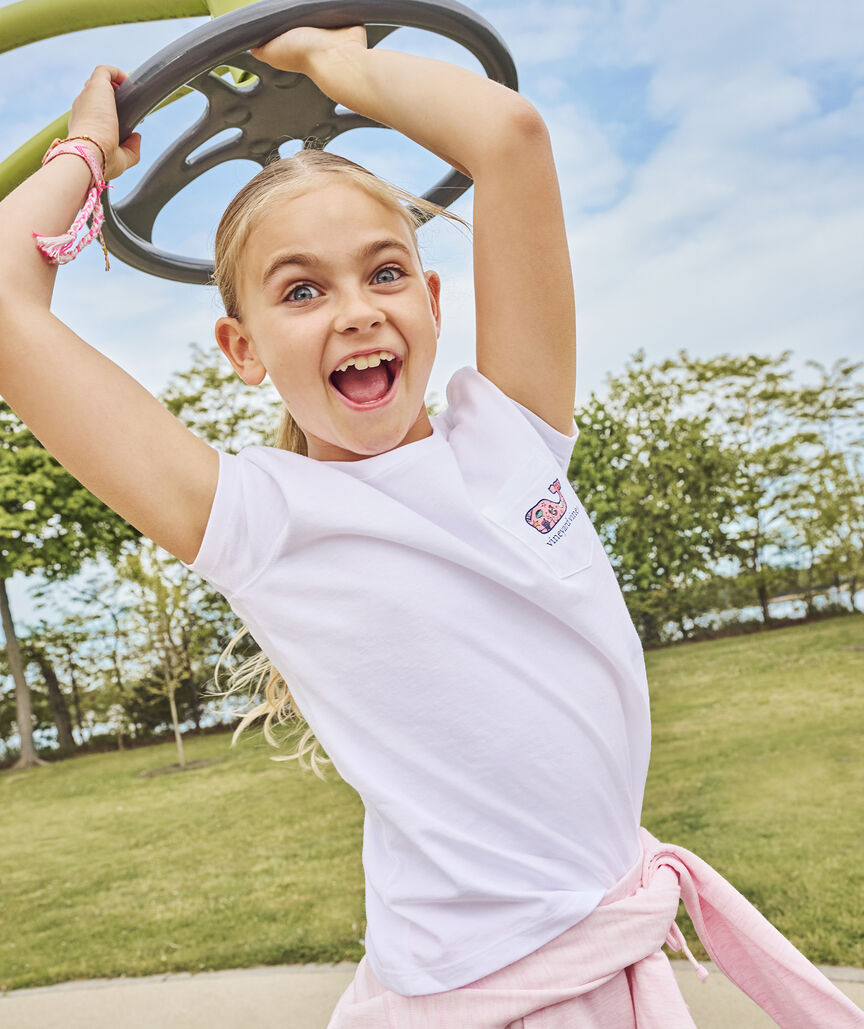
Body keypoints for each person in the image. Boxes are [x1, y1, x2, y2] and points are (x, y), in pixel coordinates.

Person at [0, 24, 861, 1029]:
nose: (358, 311)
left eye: (386, 272)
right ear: (242, 348)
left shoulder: (511, 434)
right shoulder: (260, 521)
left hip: (599, 959)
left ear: (433, 299)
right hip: (479, 998)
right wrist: (84, 155)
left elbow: (508, 136)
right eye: (303, 290)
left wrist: (331, 59)